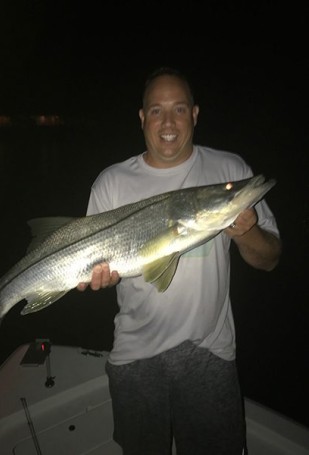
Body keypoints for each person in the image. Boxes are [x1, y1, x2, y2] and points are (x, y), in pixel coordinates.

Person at [77, 67, 282, 455]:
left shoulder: (229, 170)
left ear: (195, 114)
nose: (168, 122)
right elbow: (96, 265)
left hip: (210, 352)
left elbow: (270, 259)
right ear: (142, 118)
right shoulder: (111, 182)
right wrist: (98, 278)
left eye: (179, 109)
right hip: (135, 353)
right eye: (157, 111)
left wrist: (247, 231)